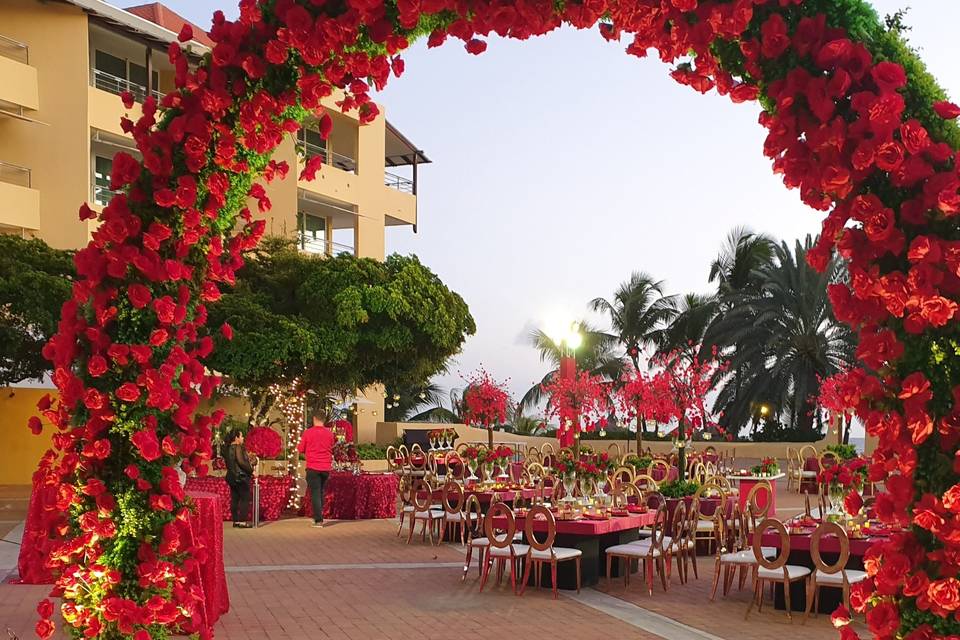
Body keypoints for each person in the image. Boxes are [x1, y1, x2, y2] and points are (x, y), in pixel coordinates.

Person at [298, 412, 336, 528]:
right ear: (324, 420)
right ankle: (320, 517)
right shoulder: (329, 433)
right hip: (325, 467)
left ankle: (318, 520)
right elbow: (332, 446)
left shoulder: (308, 433)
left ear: (314, 419)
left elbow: (300, 448)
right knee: (320, 492)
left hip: (313, 466)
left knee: (315, 493)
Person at [223, 429, 255, 528]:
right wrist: (251, 470)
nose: (243, 438)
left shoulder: (227, 448)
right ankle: (242, 521)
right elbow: (241, 462)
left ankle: (236, 521)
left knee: (235, 498)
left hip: (231, 477)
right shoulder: (238, 447)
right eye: (241, 436)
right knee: (245, 498)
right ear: (236, 438)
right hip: (241, 476)